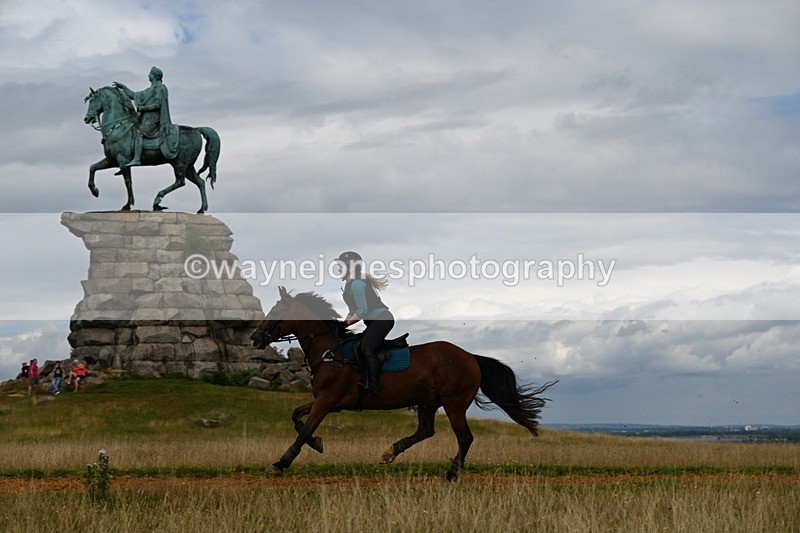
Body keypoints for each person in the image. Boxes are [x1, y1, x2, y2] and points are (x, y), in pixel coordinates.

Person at [338, 251, 394, 396]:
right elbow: (353, 312)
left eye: (340, 266)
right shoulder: (350, 286)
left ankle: (374, 387)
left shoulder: (357, 284)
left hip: (382, 320)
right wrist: (340, 325)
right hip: (375, 322)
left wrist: (345, 325)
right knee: (356, 345)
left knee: (366, 348)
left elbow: (362, 311)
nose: (338, 269)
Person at [113, 66, 179, 166]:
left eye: (150, 74)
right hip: (146, 118)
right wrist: (123, 87)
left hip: (153, 119)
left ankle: (137, 159)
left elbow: (157, 105)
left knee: (138, 132)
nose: (148, 75)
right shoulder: (150, 90)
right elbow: (134, 95)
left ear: (155, 76)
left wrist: (142, 108)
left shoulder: (160, 88)